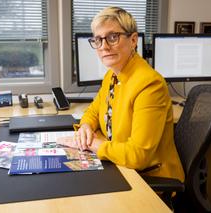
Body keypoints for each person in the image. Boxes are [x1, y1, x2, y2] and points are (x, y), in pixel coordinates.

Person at [58, 6, 184, 181]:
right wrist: (86, 127)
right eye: (98, 39)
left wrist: (92, 143)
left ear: (133, 40)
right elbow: (94, 111)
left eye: (112, 37)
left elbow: (138, 155)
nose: (104, 47)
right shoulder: (112, 75)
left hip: (149, 177)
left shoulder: (149, 84)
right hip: (120, 165)